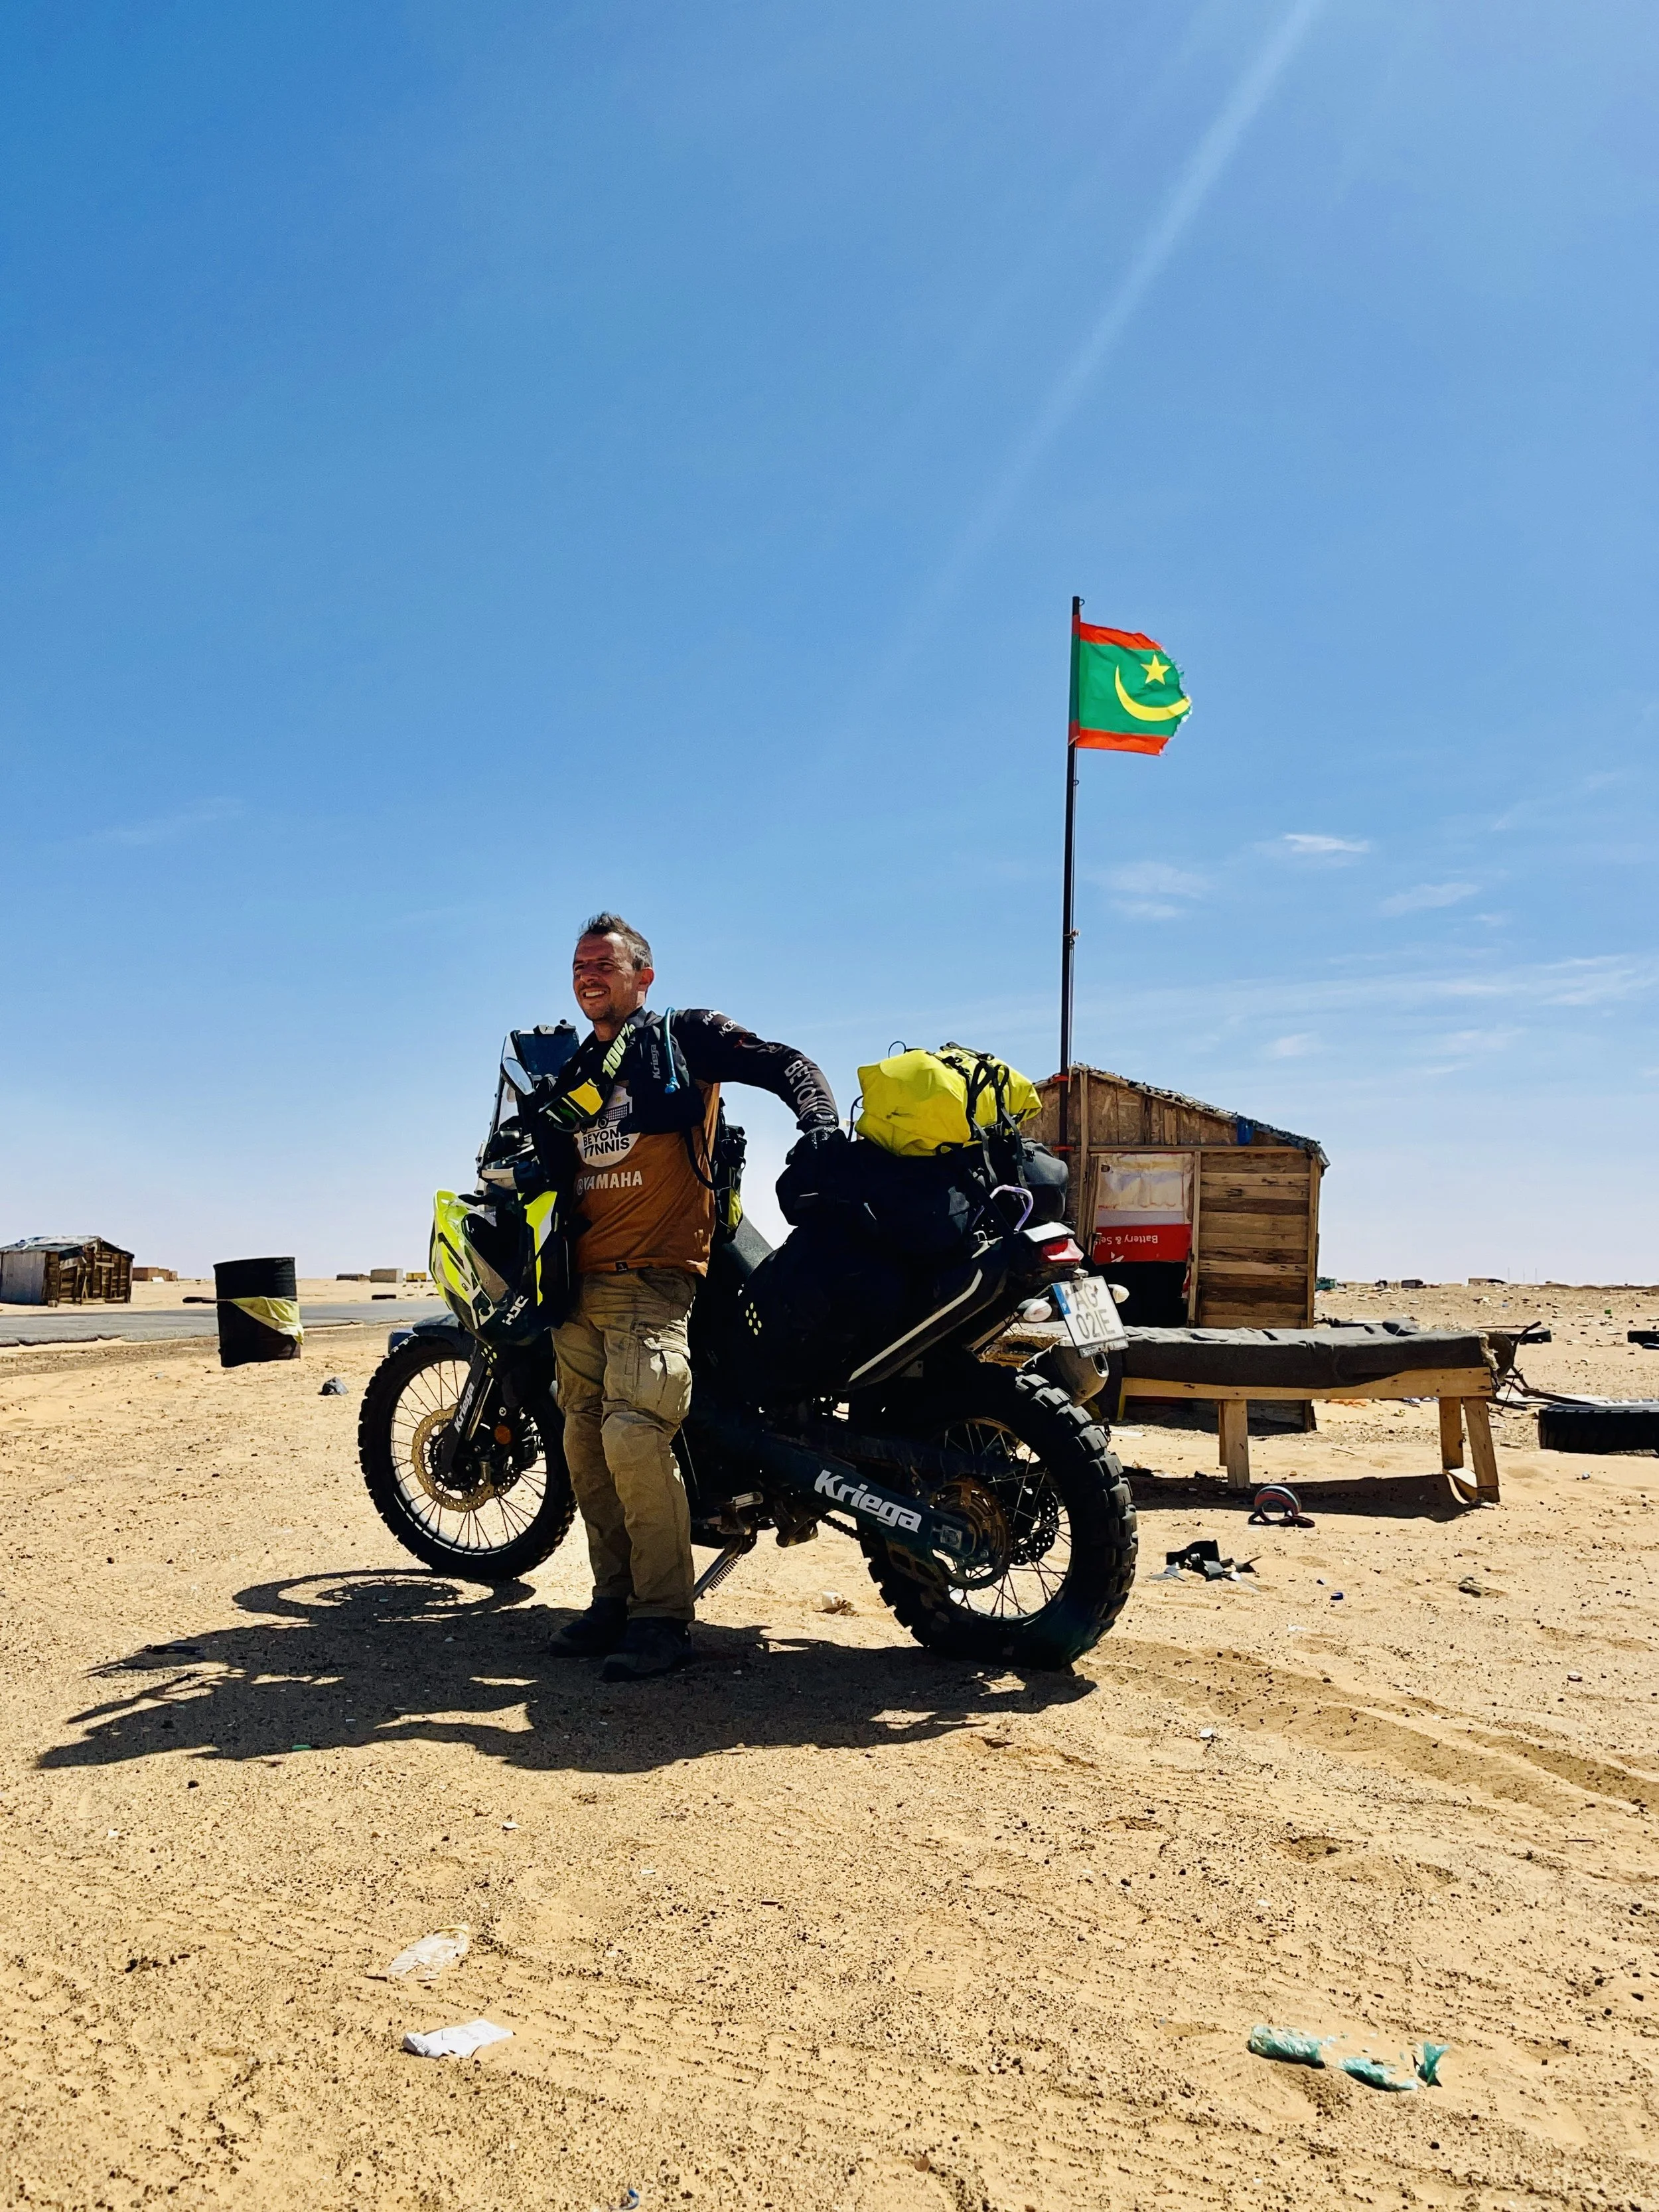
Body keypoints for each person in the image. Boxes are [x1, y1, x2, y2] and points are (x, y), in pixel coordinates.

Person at [542, 913, 838, 1681]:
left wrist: (820, 1125)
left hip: (653, 1275)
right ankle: (613, 1602)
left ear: (643, 976)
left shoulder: (683, 1037)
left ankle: (660, 1617)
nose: (588, 976)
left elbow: (785, 1062)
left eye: (604, 964)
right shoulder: (580, 1066)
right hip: (580, 1287)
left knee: (634, 1439)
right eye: (579, 965)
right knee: (584, 1446)